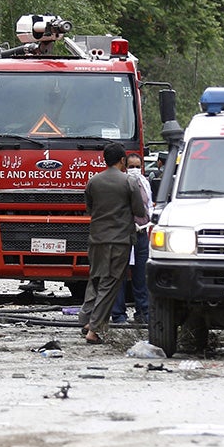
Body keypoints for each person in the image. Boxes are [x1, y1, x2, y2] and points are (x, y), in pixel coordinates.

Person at [80, 142, 144, 344]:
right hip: (119, 241)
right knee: (111, 283)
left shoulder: (93, 181)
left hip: (96, 239)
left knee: (96, 279)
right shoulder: (129, 182)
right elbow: (140, 212)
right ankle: (95, 329)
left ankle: (87, 320)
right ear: (123, 160)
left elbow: (89, 209)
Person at [111, 152, 152, 324]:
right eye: (131, 166)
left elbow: (148, 206)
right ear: (125, 167)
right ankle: (119, 314)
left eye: (138, 166)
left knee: (141, 275)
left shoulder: (145, 183)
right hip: (124, 235)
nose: (135, 170)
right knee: (119, 275)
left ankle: (143, 312)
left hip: (142, 234)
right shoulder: (121, 184)